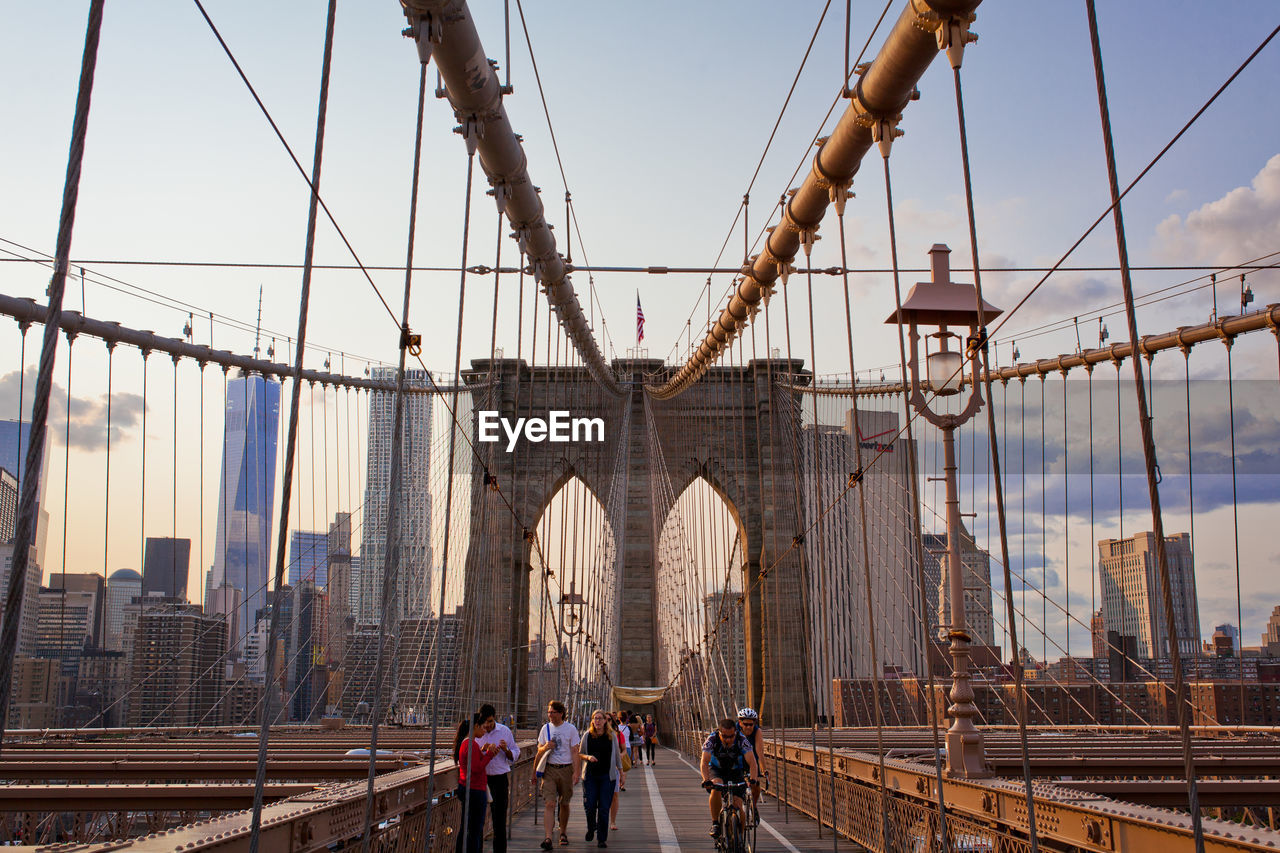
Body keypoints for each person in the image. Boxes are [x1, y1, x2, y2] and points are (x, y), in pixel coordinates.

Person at [700, 717, 758, 839]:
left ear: (735, 733)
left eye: (731, 736)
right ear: (719, 733)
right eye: (725, 737)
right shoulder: (712, 739)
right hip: (717, 770)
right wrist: (706, 780)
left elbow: (752, 762)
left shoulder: (741, 740)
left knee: (738, 804)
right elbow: (704, 762)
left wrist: (753, 779)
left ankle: (740, 839)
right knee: (716, 785)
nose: (729, 740)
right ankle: (715, 823)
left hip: (736, 771)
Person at [534, 700, 581, 850]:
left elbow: (575, 751)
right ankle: (548, 837)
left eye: (553, 712)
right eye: (548, 712)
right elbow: (539, 749)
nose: (550, 715)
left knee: (564, 803)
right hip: (549, 770)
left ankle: (563, 832)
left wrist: (577, 772)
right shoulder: (545, 728)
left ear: (561, 713)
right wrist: (545, 747)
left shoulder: (571, 729)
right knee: (549, 803)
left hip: (566, 769)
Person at [477, 703, 520, 853]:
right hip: (482, 779)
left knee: (499, 820)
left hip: (500, 779)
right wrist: (484, 751)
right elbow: (473, 758)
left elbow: (515, 752)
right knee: (478, 820)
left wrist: (505, 750)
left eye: (490, 721)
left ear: (494, 718)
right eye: (485, 722)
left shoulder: (504, 731)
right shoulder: (478, 733)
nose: (487, 725)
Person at [456, 712, 500, 853]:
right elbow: (476, 768)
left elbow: (472, 762)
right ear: (475, 726)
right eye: (482, 727)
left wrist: (483, 752)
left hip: (468, 787)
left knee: (466, 827)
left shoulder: (467, 744)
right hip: (475, 789)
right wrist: (489, 755)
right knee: (475, 829)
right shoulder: (471, 744)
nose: (485, 730)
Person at [579, 709, 621, 848]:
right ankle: (591, 828)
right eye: (595, 718)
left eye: (600, 718)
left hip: (607, 777)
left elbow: (616, 756)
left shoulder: (611, 736)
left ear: (605, 721)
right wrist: (587, 757)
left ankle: (601, 838)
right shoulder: (587, 735)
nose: (597, 721)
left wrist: (621, 773)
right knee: (590, 806)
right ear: (592, 721)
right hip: (590, 776)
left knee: (603, 808)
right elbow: (580, 753)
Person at [736, 707, 765, 818]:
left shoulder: (757, 731)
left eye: (751, 724)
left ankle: (754, 806)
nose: (748, 727)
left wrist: (764, 769)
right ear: (740, 723)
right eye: (745, 724)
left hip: (751, 761)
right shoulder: (733, 731)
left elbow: (759, 751)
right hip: (737, 761)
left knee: (756, 785)